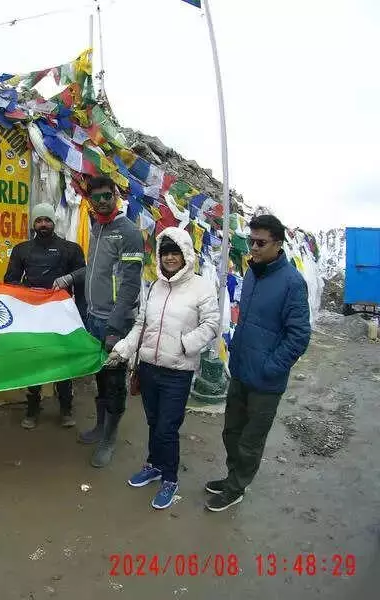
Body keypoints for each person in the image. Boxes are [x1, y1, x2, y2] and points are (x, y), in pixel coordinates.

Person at [106, 227, 219, 509]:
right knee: (154, 423)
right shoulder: (155, 286)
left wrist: (184, 345)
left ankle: (170, 478)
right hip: (148, 368)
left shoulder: (201, 287)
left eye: (175, 252)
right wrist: (124, 348)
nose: (170, 258)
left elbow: (212, 325)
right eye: (165, 252)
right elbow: (142, 324)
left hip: (177, 372)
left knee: (167, 428)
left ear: (186, 255)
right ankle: (154, 465)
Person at [205, 214, 311, 512]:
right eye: (251, 241)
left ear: (277, 244)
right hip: (240, 370)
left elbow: (299, 335)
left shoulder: (292, 282)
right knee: (231, 432)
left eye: (260, 242)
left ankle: (237, 488)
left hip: (266, 381)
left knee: (250, 441)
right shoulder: (252, 273)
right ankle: (232, 477)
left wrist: (271, 366)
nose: (253, 247)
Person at [54, 175, 144, 467]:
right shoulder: (97, 228)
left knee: (115, 380)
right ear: (90, 202)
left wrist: (116, 327)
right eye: (97, 197)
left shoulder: (128, 232)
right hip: (93, 318)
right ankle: (100, 427)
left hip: (115, 322)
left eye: (108, 195)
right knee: (100, 376)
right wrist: (70, 277)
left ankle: (109, 438)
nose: (103, 201)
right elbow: (92, 270)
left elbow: (130, 284)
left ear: (116, 196)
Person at [4, 202, 86, 429]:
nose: (43, 224)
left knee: (63, 361)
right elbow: (9, 281)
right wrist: (26, 291)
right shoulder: (21, 250)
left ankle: (66, 408)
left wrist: (80, 313)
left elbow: (82, 278)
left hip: (61, 315)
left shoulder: (71, 249)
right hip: (32, 314)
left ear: (54, 222)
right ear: (34, 223)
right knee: (34, 360)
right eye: (39, 220)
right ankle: (32, 409)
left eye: (47, 220)